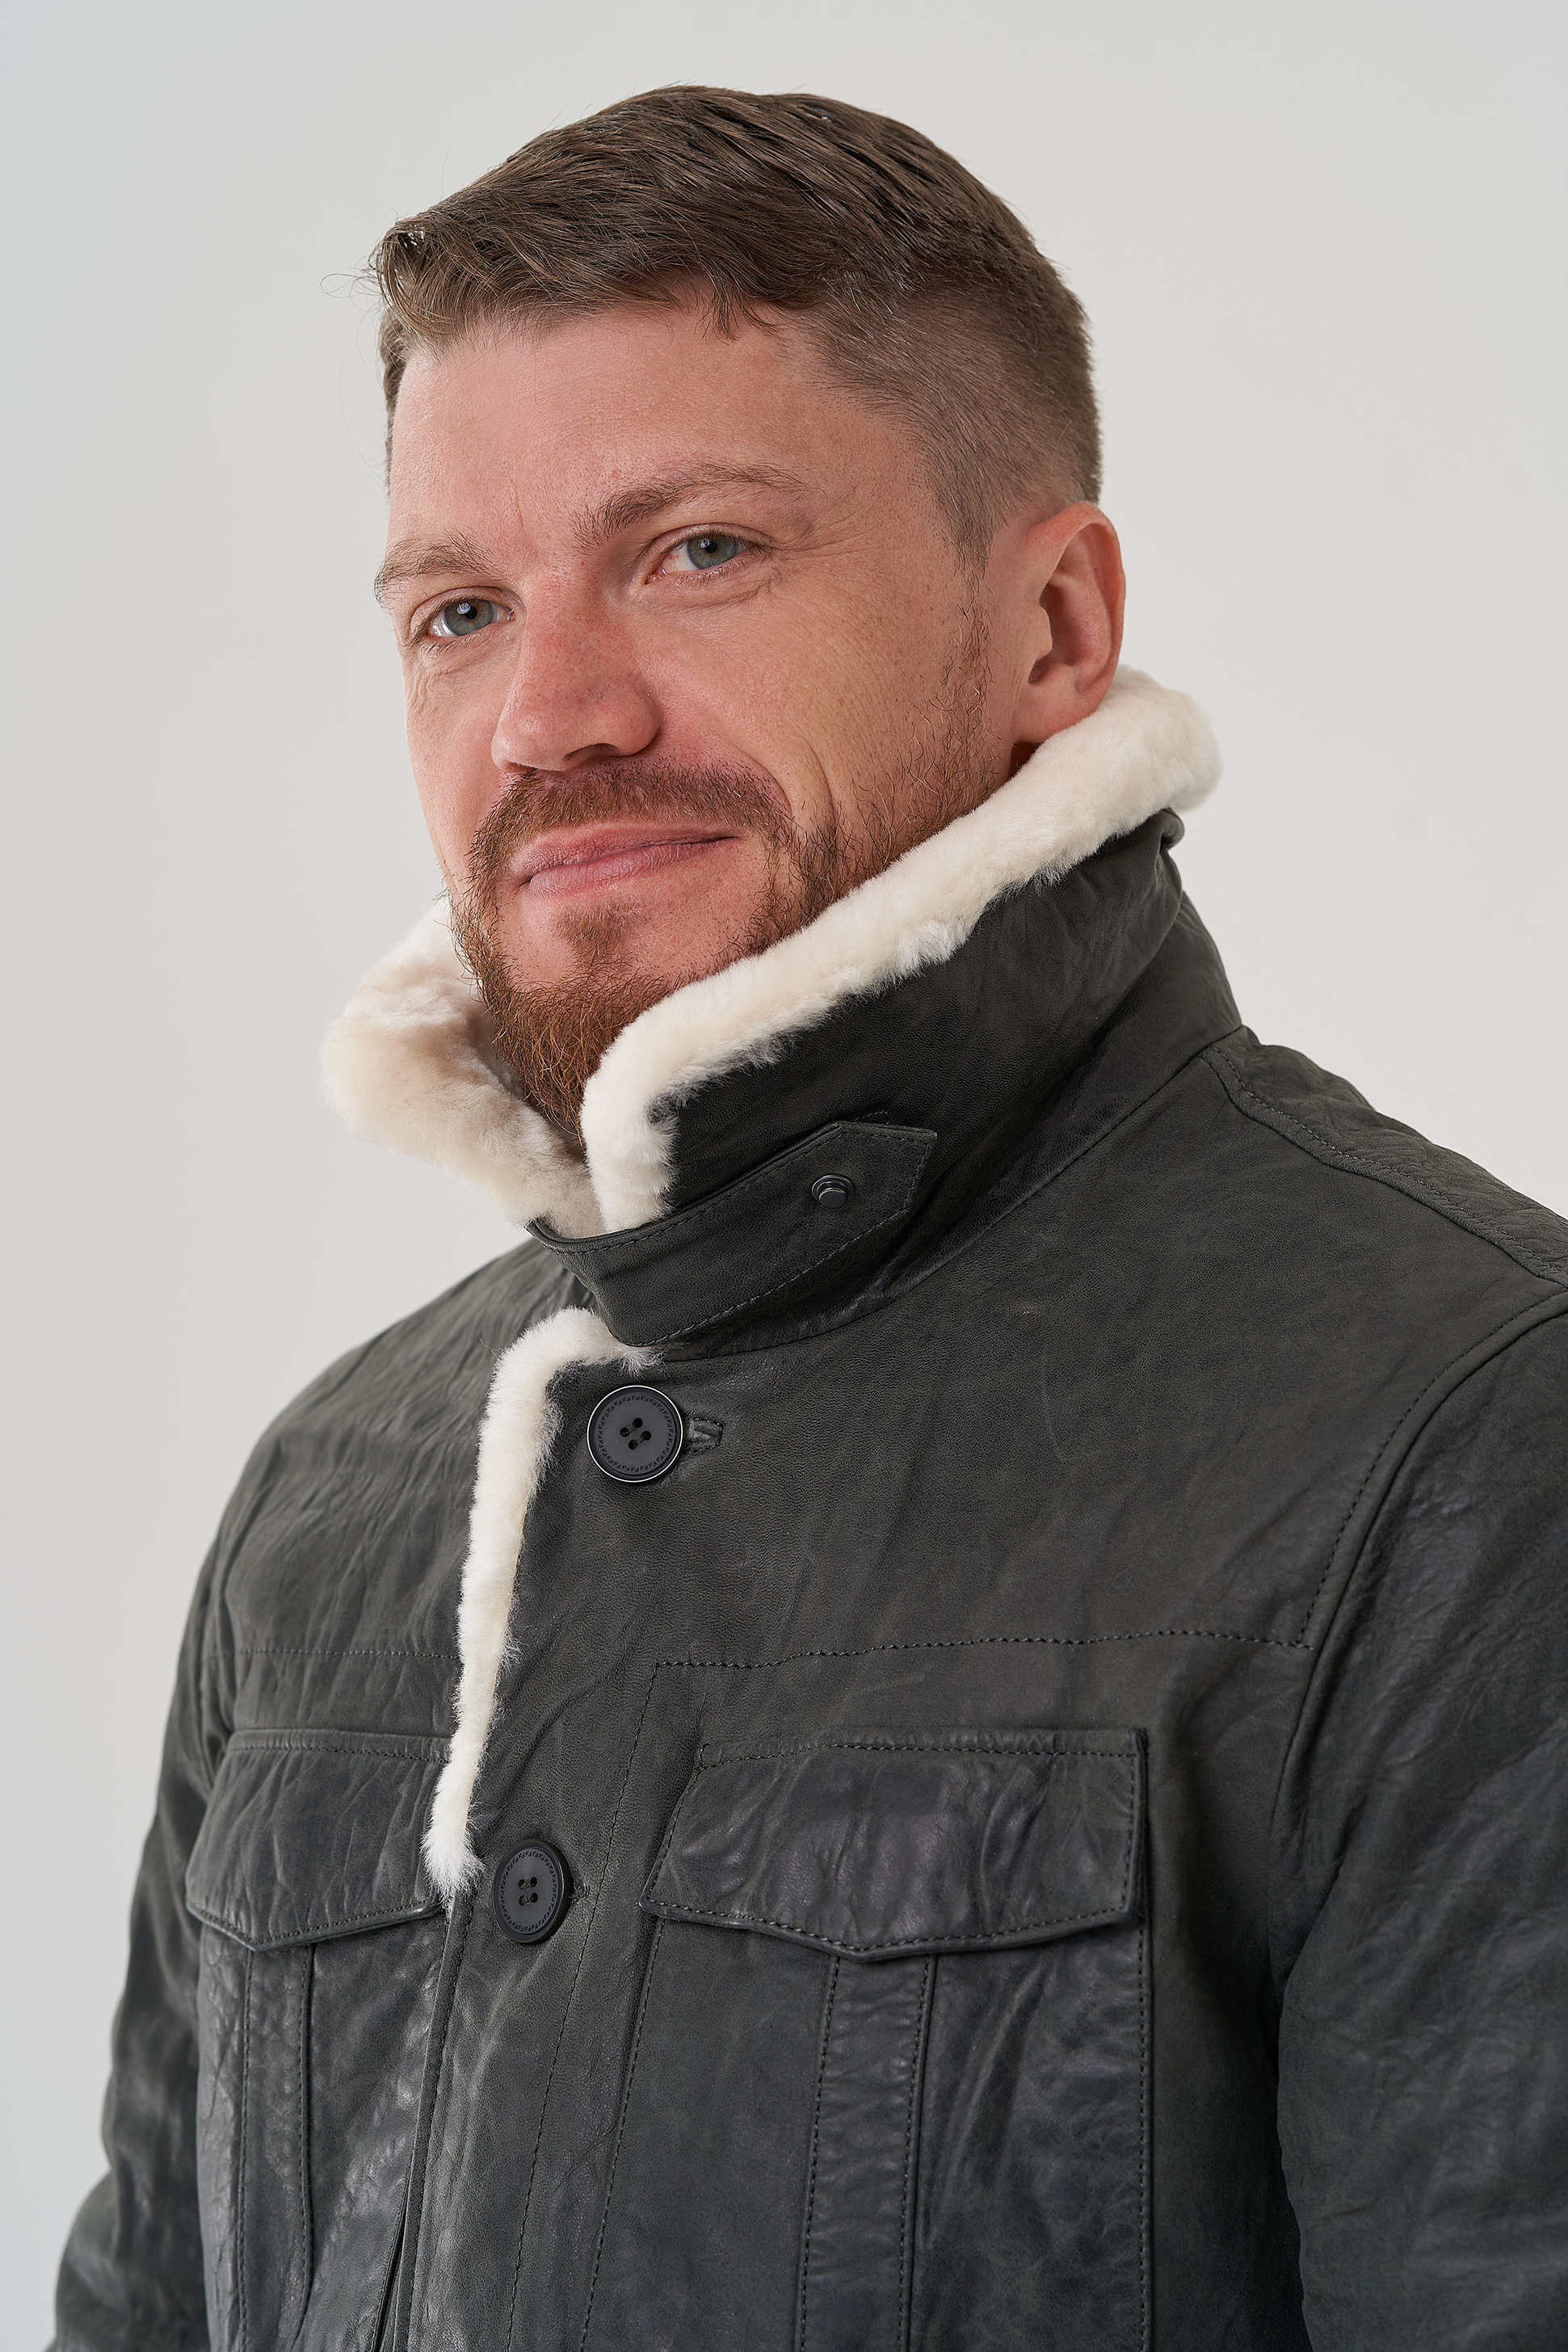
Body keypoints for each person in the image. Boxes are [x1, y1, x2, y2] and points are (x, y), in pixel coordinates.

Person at [53, 85, 1567, 2352]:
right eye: (460, 609)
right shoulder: (337, 1497)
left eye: (699, 553)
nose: (550, 717)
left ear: (1054, 622)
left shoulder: (1476, 1439)